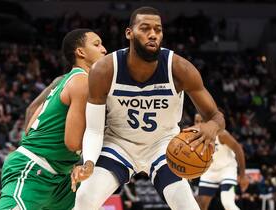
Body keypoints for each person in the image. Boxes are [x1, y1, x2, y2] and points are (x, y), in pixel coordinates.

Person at [73, 7, 225, 210]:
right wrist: (89, 162)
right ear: (129, 33)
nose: (153, 34)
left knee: (187, 205)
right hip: (119, 144)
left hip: (163, 145)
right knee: (84, 198)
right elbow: (93, 129)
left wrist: (211, 127)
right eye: (145, 28)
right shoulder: (105, 69)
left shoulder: (179, 68)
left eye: (158, 30)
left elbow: (216, 116)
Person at [0, 28, 106, 210]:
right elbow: (73, 143)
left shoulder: (64, 80)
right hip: (34, 169)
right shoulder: (82, 82)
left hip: (60, 176)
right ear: (80, 52)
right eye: (97, 44)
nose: (104, 49)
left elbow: (31, 113)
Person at [195, 113, 249, 210]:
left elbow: (238, 149)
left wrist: (243, 175)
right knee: (200, 206)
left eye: (202, 121)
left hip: (227, 169)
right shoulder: (194, 135)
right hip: (209, 171)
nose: (199, 124)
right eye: (197, 121)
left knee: (227, 203)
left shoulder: (221, 134)